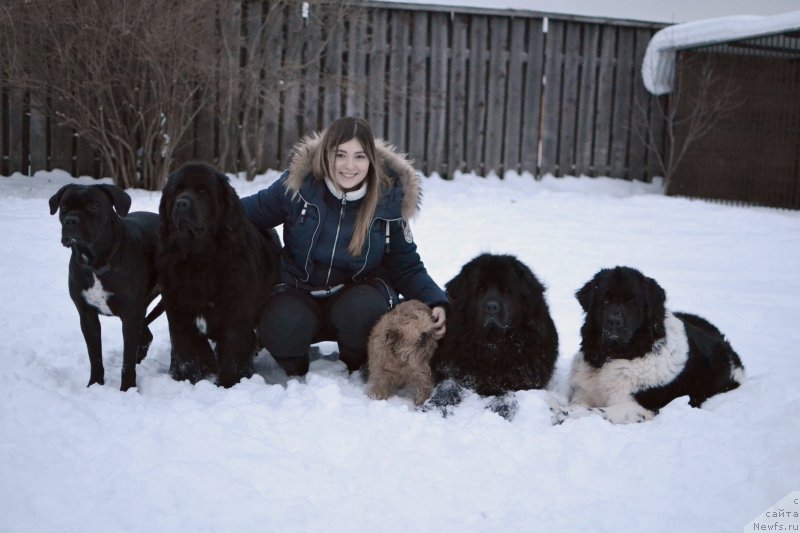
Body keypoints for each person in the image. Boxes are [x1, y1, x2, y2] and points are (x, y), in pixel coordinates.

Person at [241, 117, 448, 376]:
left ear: (371, 160)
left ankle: (355, 361)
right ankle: (293, 364)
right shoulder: (298, 186)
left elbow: (406, 266)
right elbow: (244, 212)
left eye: (360, 156)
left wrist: (435, 300)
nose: (350, 166)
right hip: (297, 289)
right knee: (282, 326)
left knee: (363, 312)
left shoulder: (388, 200)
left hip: (356, 296)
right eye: (341, 155)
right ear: (327, 154)